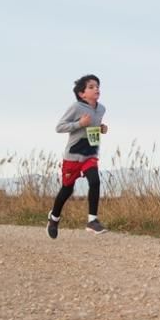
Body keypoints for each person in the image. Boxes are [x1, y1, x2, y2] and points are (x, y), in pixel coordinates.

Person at [46, 74, 108, 239]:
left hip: (90, 154)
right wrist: (79, 124)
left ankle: (92, 220)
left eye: (97, 86)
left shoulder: (101, 109)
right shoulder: (76, 108)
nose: (96, 89)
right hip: (73, 156)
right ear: (82, 94)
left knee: (95, 181)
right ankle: (54, 218)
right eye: (91, 87)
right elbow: (59, 127)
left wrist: (101, 127)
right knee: (67, 189)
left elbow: (93, 126)